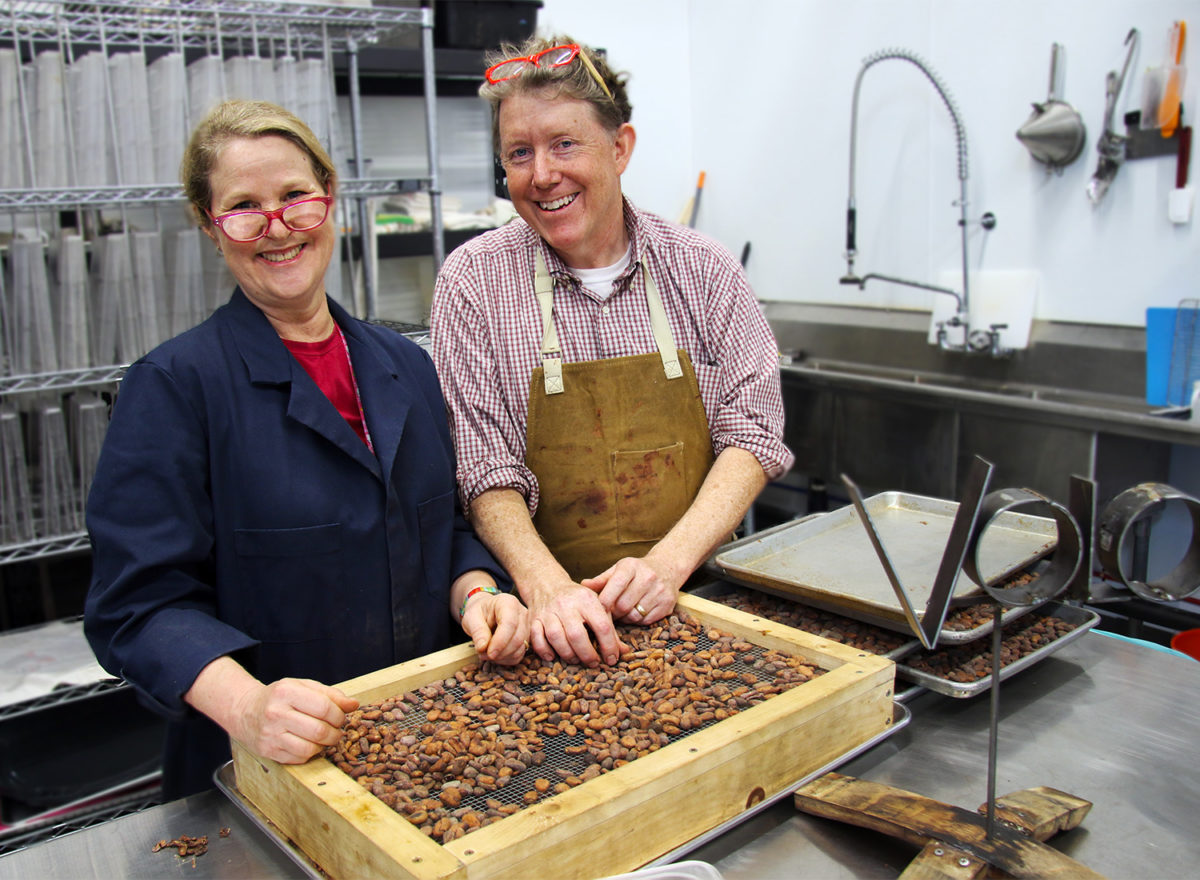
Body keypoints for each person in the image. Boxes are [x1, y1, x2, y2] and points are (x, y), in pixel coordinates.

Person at [84, 99, 528, 800]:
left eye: (295, 197)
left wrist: (477, 591)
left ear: (330, 199)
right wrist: (248, 706)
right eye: (243, 207)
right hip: (260, 775)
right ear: (210, 226)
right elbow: (136, 607)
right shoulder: (174, 388)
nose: (277, 228)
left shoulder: (404, 365)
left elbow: (445, 527)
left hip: (424, 753)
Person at [430, 38, 792, 670]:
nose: (542, 174)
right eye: (519, 153)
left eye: (564, 144)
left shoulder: (702, 268)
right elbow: (482, 464)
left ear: (620, 147)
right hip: (543, 627)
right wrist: (547, 588)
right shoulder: (473, 282)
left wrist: (667, 567)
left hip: (700, 607)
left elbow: (753, 432)